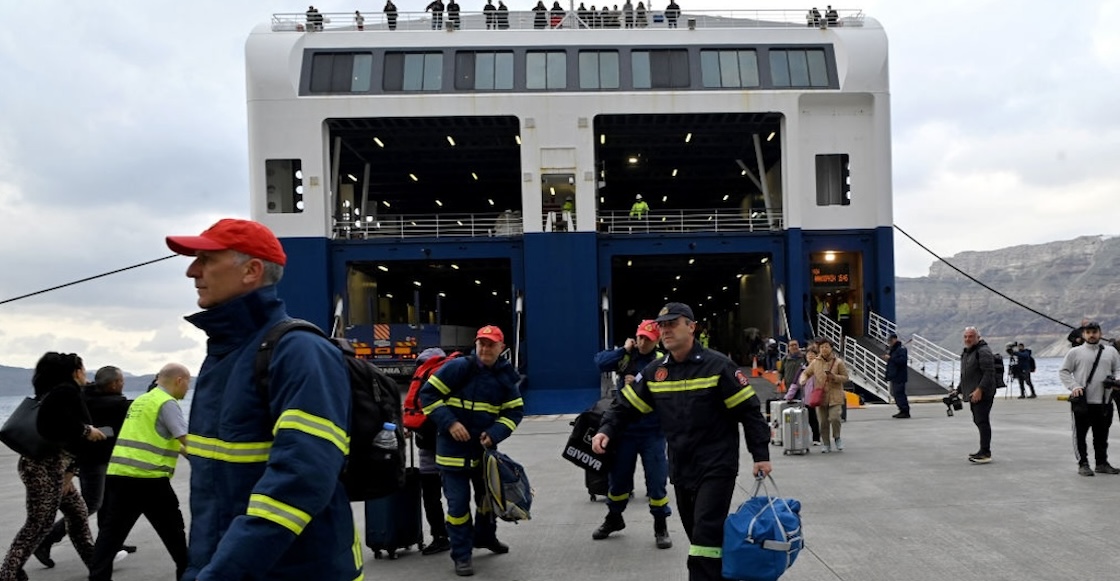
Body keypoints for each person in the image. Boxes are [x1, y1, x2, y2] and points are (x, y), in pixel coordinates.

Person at [165, 218, 358, 580]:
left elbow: (299, 480)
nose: (192, 271)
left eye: (205, 259)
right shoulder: (224, 354)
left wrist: (223, 572)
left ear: (251, 270)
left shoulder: (300, 352)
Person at [593, 302, 771, 581]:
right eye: (662, 325)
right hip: (681, 465)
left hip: (716, 464)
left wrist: (760, 454)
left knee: (704, 533)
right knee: (696, 534)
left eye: (672, 324)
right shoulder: (655, 372)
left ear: (691, 326)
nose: (665, 330)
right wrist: (606, 429)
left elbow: (749, 411)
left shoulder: (718, 366)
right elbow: (625, 405)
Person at [418, 325, 524, 577]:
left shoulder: (505, 377)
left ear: (501, 347)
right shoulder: (458, 368)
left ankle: (486, 537)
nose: (485, 349)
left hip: (483, 454)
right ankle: (462, 555)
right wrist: (450, 422)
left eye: (491, 344)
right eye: (482, 344)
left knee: (487, 501)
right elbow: (428, 395)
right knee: (457, 507)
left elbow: (514, 411)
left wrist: (495, 433)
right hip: (451, 453)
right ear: (476, 345)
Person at [0, 352, 106, 581]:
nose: (85, 373)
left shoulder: (56, 392)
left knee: (77, 514)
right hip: (45, 468)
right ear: (76, 372)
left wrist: (69, 473)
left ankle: (98, 570)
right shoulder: (65, 392)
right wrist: (86, 431)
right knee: (39, 524)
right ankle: (8, 573)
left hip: (49, 467)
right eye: (83, 368)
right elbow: (52, 424)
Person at [88, 363, 192, 581]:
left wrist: (183, 451)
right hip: (149, 480)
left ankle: (98, 578)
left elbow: (162, 437)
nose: (188, 389)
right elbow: (186, 440)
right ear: (179, 381)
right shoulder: (166, 403)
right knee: (175, 535)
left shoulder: (142, 401)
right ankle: (188, 576)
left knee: (110, 537)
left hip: (120, 475)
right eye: (188, 384)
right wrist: (208, 460)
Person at [34, 366, 135, 569]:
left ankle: (110, 542)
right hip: (93, 460)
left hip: (95, 458)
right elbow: (134, 407)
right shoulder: (114, 403)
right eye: (121, 381)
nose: (123, 384)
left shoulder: (85, 395)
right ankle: (46, 539)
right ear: (115, 384)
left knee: (107, 501)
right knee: (91, 503)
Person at [591, 320, 672, 549]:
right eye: (640, 337)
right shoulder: (628, 356)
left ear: (657, 340)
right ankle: (614, 518)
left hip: (652, 432)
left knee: (656, 482)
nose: (642, 342)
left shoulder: (662, 363)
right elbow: (600, 363)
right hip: (624, 429)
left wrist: (635, 383)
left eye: (647, 338)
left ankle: (660, 525)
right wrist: (623, 350)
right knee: (618, 481)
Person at [1060, 321, 1120, 476]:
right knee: (1080, 435)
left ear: (1100, 333)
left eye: (1094, 332)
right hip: (1083, 402)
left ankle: (1101, 463)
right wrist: (1074, 386)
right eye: (1088, 332)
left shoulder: (1111, 351)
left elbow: (1118, 369)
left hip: (1104, 402)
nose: (1092, 335)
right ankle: (1083, 463)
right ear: (1083, 334)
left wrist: (1115, 380)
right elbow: (1064, 371)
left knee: (1102, 435)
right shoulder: (1075, 352)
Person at [411, 348, 452, 556]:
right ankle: (462, 534)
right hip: (451, 447)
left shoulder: (420, 375)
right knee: (455, 496)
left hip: (426, 448)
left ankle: (440, 537)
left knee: (431, 497)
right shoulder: (451, 374)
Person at [956, 327, 996, 464]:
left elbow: (989, 373)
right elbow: (966, 375)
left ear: (978, 337)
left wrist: (980, 389)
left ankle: (985, 452)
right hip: (973, 393)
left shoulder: (983, 351)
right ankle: (983, 450)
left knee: (982, 421)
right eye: (966, 336)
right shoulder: (968, 352)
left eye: (971, 336)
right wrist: (958, 390)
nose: (968, 339)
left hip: (983, 393)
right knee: (978, 420)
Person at [802, 337, 848, 452]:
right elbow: (806, 373)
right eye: (821, 347)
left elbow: (846, 377)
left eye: (826, 347)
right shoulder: (815, 362)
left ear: (831, 348)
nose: (824, 349)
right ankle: (826, 443)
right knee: (822, 421)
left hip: (835, 396)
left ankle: (837, 437)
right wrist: (803, 379)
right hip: (821, 396)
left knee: (835, 417)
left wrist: (835, 377)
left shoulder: (838, 362)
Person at [883, 333, 910, 418]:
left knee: (900, 393)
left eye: (890, 341)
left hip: (900, 375)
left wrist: (890, 358)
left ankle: (905, 410)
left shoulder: (901, 349)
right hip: (894, 375)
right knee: (896, 393)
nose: (890, 343)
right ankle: (901, 409)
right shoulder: (894, 350)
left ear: (894, 340)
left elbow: (902, 361)